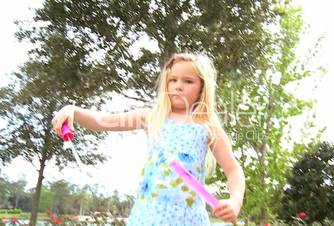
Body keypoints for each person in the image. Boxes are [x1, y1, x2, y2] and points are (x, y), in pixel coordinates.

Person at [51, 53, 245, 225]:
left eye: (188, 81)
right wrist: (73, 110)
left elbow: (233, 170)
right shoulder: (151, 117)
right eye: (173, 80)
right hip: (147, 217)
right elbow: (102, 121)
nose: (178, 86)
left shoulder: (207, 127)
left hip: (189, 219)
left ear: (202, 88)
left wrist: (234, 201)